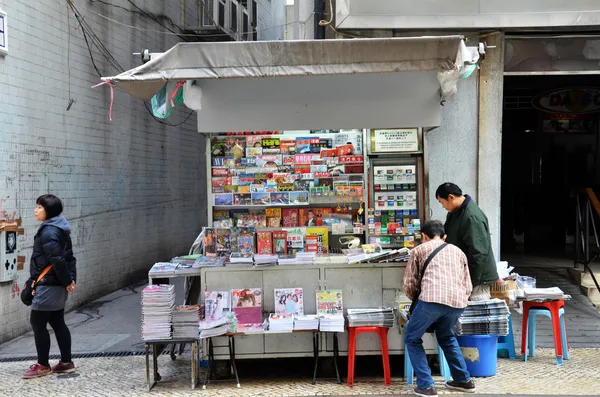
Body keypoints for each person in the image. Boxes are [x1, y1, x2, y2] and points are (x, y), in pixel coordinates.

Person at [403, 220, 474, 397]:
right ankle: (463, 380)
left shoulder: (418, 250)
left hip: (430, 300)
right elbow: (468, 285)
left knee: (412, 337)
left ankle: (426, 385)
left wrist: (417, 302)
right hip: (458, 303)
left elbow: (409, 283)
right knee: (447, 336)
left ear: (424, 236)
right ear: (444, 237)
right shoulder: (458, 252)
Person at [24, 194, 77, 379]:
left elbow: (59, 260)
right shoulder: (60, 228)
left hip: (48, 286)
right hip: (56, 285)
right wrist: (70, 280)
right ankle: (66, 362)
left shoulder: (48, 232)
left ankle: (43, 365)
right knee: (57, 321)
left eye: (39, 207)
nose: (36, 210)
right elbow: (70, 257)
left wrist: (67, 281)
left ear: (49, 211)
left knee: (38, 323)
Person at [435, 182, 499, 301]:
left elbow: (479, 253)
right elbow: (446, 234)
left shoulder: (471, 217)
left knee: (475, 314)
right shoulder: (455, 213)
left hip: (478, 279)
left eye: (441, 202)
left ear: (451, 197)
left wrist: (470, 282)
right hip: (463, 275)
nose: (443, 206)